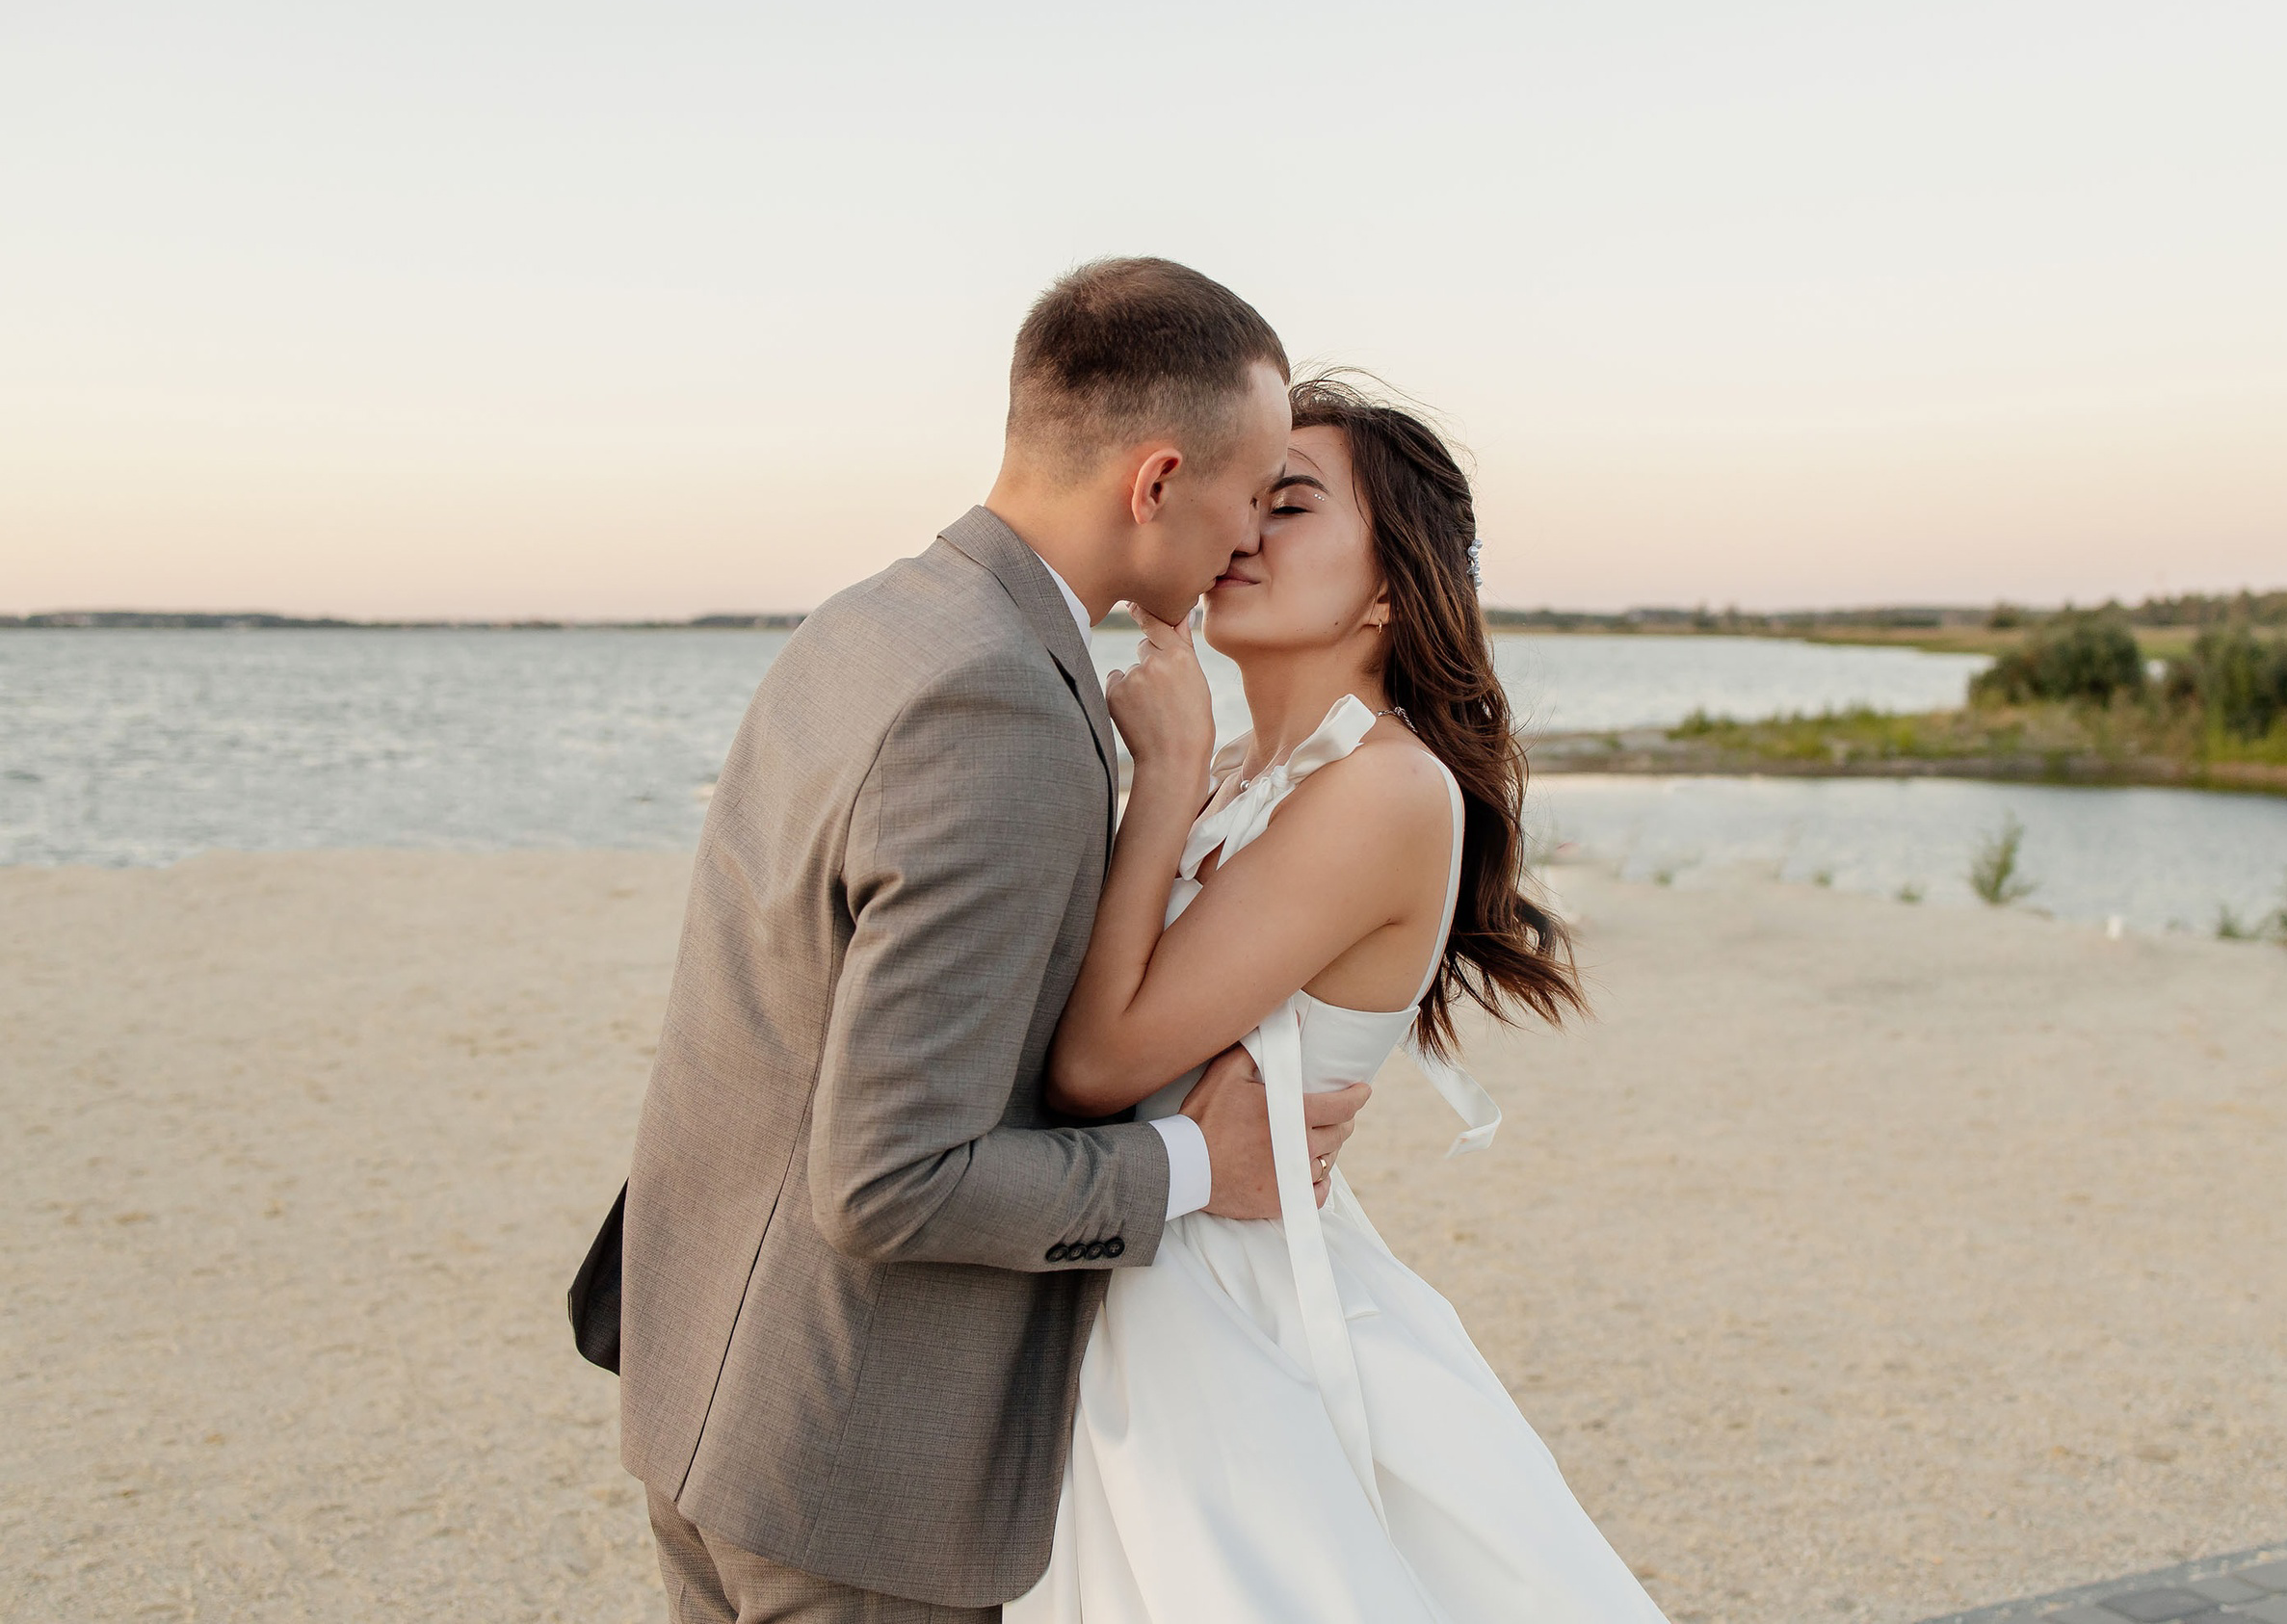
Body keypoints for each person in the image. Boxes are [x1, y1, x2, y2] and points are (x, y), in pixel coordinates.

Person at [618, 258, 1376, 1623]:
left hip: (705, 1406)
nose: (1247, 534)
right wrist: (1200, 1164)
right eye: (1253, 489)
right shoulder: (1004, 706)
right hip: (851, 1477)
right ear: (1157, 481)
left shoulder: (871, 620)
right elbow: (890, 1180)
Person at [1005, 376, 1669, 1621]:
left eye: (1291, 503)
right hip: (1132, 1265)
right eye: (1245, 496)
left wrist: (1163, 779)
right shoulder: (1240, 772)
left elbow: (1097, 1064)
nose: (1242, 529)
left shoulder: (1388, 787)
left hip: (1227, 1309)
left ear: (1389, 586)